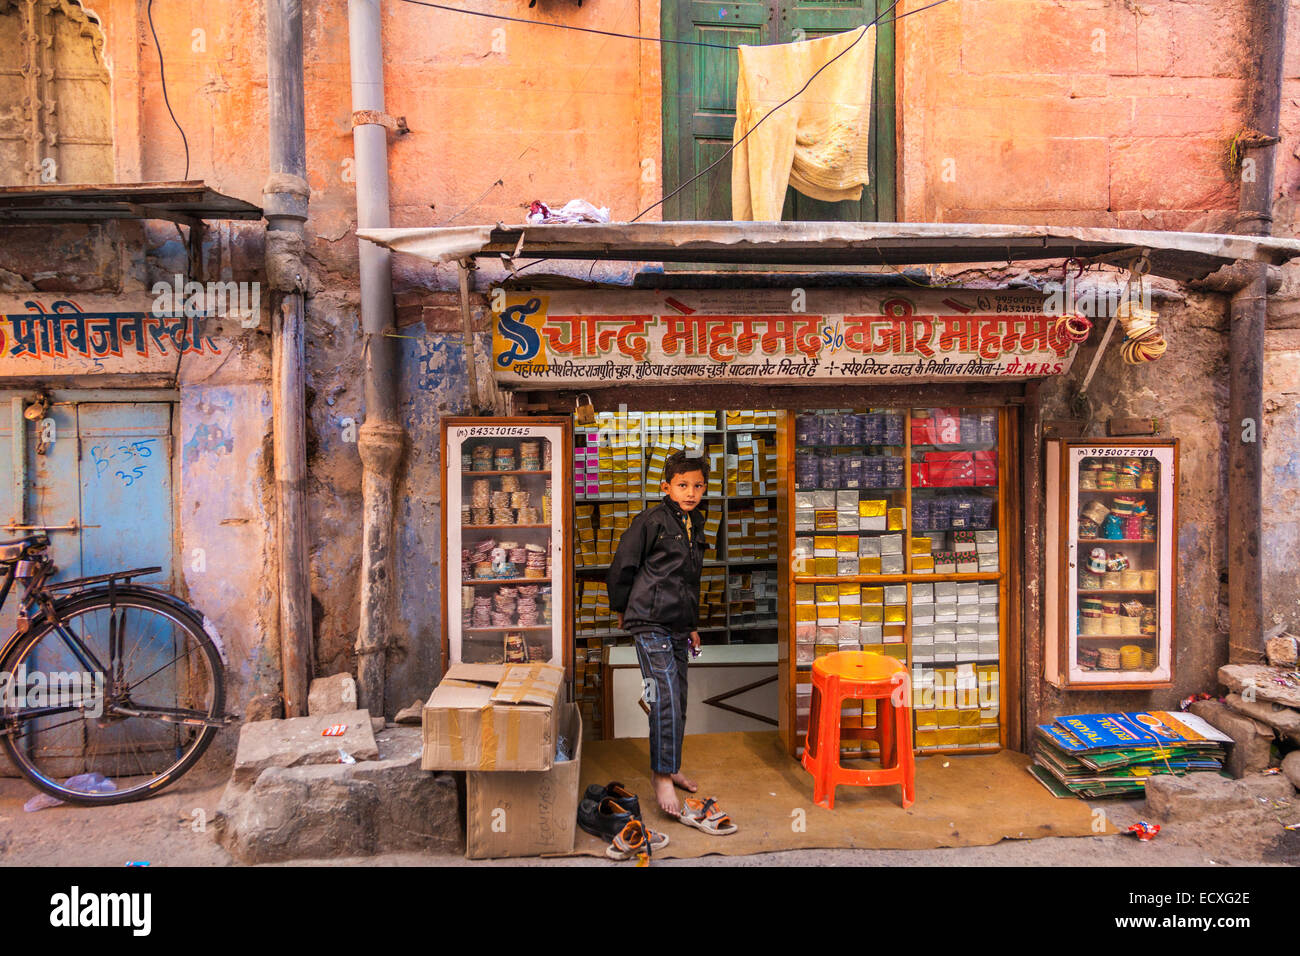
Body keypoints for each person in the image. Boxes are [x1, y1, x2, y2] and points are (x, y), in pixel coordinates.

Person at [607, 450, 707, 817]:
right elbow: (623, 565)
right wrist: (621, 608)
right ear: (666, 486)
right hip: (648, 622)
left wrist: (691, 625)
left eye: (697, 485)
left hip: (677, 625)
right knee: (661, 695)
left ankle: (672, 763)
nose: (690, 491)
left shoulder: (695, 523)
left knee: (677, 697)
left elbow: (689, 581)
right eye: (683, 485)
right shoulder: (652, 521)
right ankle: (661, 774)